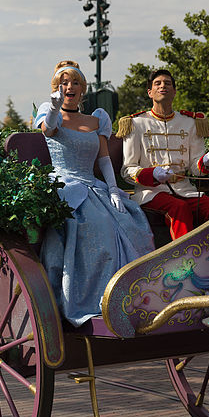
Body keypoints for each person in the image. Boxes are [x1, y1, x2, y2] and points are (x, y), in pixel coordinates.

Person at [34, 60, 155, 327]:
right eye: (64, 83)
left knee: (132, 221)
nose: (70, 87)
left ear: (83, 89)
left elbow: (102, 159)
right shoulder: (48, 111)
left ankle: (132, 296)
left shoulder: (96, 118)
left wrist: (113, 188)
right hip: (64, 185)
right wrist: (54, 107)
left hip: (94, 185)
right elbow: (49, 130)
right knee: (97, 227)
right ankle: (96, 300)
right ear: (56, 88)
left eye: (75, 82)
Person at [119, 69, 209, 240]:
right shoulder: (135, 124)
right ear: (150, 92)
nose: (163, 86)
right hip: (150, 192)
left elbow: (196, 168)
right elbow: (128, 170)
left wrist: (205, 162)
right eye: (157, 83)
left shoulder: (191, 122)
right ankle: (186, 261)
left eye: (167, 83)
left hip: (185, 190)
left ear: (174, 92)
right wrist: (151, 174)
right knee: (179, 208)